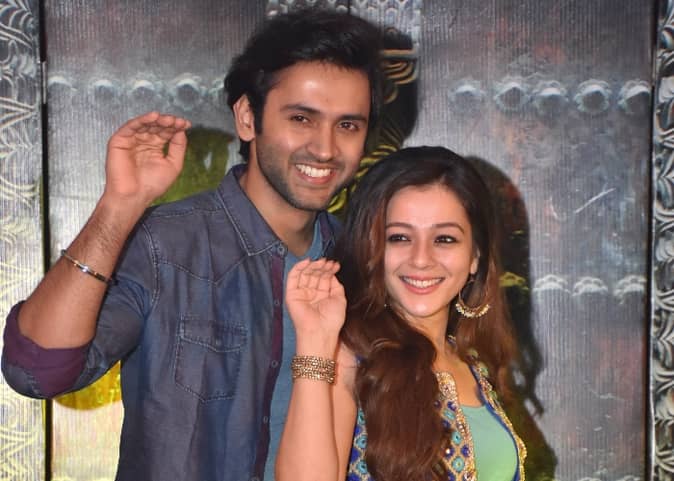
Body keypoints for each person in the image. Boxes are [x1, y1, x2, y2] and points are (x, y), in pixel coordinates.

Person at [2, 8, 384, 481]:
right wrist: (118, 208)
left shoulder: (365, 262)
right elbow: (38, 371)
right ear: (248, 117)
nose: (325, 148)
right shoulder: (166, 245)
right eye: (302, 118)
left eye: (348, 125)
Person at [278, 146, 527, 481]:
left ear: (475, 257)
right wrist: (313, 341)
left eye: (444, 239)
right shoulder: (349, 359)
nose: (421, 259)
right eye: (399, 237)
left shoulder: (473, 364)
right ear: (372, 248)